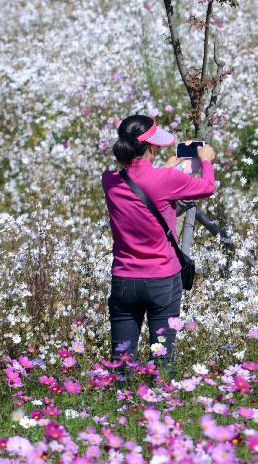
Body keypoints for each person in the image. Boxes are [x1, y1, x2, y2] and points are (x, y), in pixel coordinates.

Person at [101, 114, 216, 383]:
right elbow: (207, 188)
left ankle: (119, 410)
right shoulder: (165, 180)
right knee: (162, 357)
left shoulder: (109, 181)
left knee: (121, 358)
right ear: (152, 148)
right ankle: (161, 410)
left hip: (123, 281)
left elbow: (143, 183)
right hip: (161, 280)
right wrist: (207, 159)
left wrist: (165, 168)